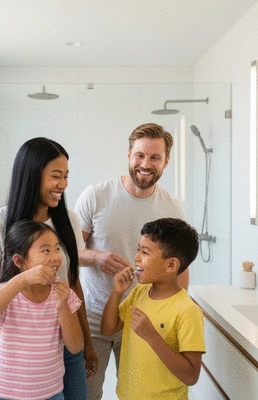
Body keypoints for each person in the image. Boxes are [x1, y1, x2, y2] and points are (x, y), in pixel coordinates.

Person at [0, 137, 97, 399]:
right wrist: (24, 281)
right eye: (55, 176)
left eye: (65, 176)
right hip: (19, 352)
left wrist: (86, 342)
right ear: (32, 176)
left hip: (65, 339)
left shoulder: (69, 221)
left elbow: (74, 284)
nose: (62, 184)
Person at [74, 122, 189, 400]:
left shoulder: (171, 208)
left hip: (141, 321)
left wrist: (177, 315)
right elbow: (69, 253)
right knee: (86, 395)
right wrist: (97, 257)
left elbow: (180, 270)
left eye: (155, 157)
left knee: (137, 394)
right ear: (128, 155)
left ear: (166, 161)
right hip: (92, 318)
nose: (145, 164)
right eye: (139, 155)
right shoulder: (97, 195)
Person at [0, 220, 84, 400]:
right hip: (6, 393)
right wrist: (20, 281)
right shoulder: (5, 292)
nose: (55, 257)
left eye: (57, 248)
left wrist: (63, 306)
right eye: (46, 250)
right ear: (19, 260)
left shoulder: (63, 294)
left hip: (50, 393)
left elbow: (76, 346)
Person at [101, 218, 206, 399]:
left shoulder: (187, 311)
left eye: (145, 252)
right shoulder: (139, 293)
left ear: (171, 265)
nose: (136, 257)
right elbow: (108, 329)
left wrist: (151, 336)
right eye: (138, 250)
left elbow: (191, 376)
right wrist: (116, 293)